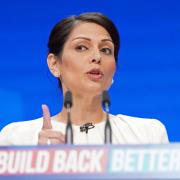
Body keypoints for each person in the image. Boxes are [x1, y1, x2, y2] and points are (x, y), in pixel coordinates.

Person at [0, 12, 169, 145]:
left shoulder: (147, 134)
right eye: (81, 47)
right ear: (54, 64)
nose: (97, 56)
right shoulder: (17, 138)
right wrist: (40, 166)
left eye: (106, 50)